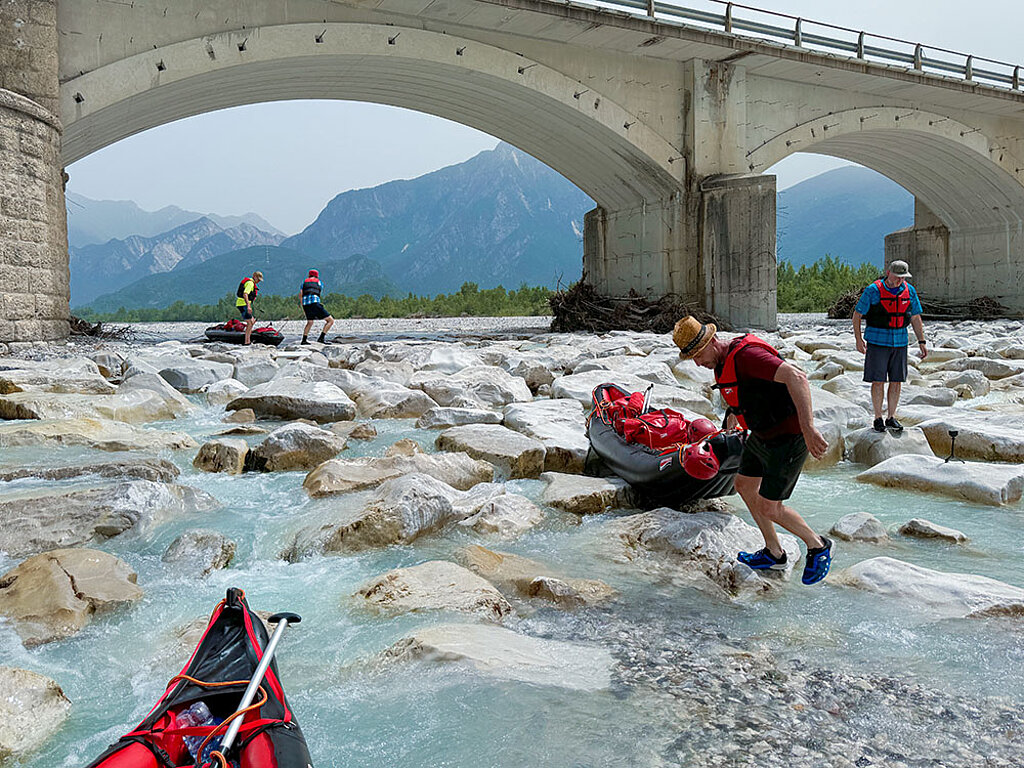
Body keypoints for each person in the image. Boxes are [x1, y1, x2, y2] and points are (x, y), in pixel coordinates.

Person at [674, 315, 833, 585]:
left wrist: (808, 428)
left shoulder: (748, 356)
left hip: (788, 436)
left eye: (698, 355)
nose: (698, 363)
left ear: (713, 341)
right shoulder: (722, 363)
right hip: (760, 435)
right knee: (744, 485)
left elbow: (798, 377)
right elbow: (739, 395)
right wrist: (731, 424)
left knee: (771, 507)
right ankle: (774, 552)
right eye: (693, 359)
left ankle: (818, 546)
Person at [851, 260, 927, 433]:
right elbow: (857, 315)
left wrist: (921, 341)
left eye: (903, 277)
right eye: (897, 276)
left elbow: (915, 317)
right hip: (877, 342)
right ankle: (878, 418)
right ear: (888, 272)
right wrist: (858, 339)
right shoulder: (873, 290)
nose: (900, 280)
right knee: (878, 381)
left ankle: (891, 417)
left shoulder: (909, 291)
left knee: (896, 381)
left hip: (900, 342)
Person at [300, 269, 334, 344]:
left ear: (309, 275)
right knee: (330, 320)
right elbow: (318, 291)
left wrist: (302, 305)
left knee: (310, 322)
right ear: (316, 276)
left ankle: (304, 340)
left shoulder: (304, 282)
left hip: (305, 304)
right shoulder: (319, 282)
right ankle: (321, 338)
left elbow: (301, 294)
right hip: (314, 302)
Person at [235, 270, 263, 345]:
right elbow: (245, 294)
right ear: (255, 277)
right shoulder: (250, 283)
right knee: (250, 323)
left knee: (252, 321)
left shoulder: (251, 283)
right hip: (242, 304)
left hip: (243, 304)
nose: (259, 281)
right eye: (258, 279)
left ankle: (248, 338)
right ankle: (247, 342)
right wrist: (248, 306)